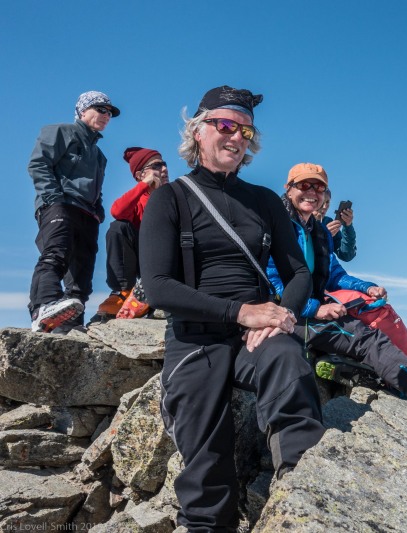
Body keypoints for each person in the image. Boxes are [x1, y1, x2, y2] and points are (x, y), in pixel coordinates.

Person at [139, 86, 325, 531]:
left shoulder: (263, 201)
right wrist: (243, 313)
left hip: (254, 334)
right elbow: (158, 287)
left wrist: (282, 315)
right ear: (198, 132)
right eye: (224, 125)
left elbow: (299, 274)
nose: (236, 136)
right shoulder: (171, 198)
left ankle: (306, 495)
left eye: (245, 130)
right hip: (193, 337)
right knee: (206, 456)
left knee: (284, 358)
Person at [268, 162, 407, 419]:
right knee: (366, 339)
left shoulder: (318, 232)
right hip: (288, 316)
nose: (312, 192)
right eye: (304, 185)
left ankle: (401, 379)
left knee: (370, 327)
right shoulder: (278, 226)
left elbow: (334, 274)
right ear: (289, 189)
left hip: (309, 311)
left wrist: (367, 287)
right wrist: (316, 308)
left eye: (319, 187)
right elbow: (273, 283)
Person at [28, 91, 120, 333]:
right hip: (60, 205)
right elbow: (39, 163)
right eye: (101, 109)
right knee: (55, 254)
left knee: (82, 273)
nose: (106, 115)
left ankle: (69, 326)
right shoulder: (60, 132)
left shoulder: (100, 156)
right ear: (82, 111)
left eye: (109, 112)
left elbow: (96, 188)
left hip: (87, 214)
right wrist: (53, 198)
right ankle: (43, 306)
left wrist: (97, 210)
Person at [93, 147, 169, 321]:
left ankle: (156, 292)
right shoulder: (138, 199)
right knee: (118, 228)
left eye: (164, 164)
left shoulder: (175, 195)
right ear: (140, 175)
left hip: (167, 261)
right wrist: (144, 186)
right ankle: (123, 291)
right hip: (144, 261)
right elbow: (117, 211)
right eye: (156, 166)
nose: (164, 169)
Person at [313, 188, 357, 261]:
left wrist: (348, 226)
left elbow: (346, 255)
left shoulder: (327, 222)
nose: (324, 206)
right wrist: (323, 236)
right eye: (321, 201)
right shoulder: (295, 221)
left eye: (327, 202)